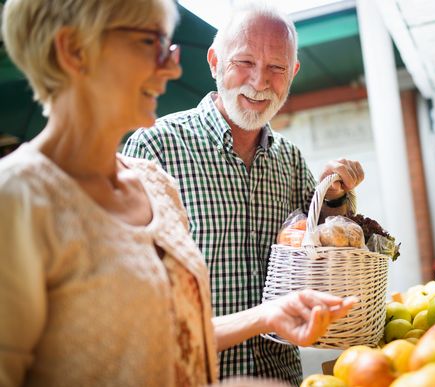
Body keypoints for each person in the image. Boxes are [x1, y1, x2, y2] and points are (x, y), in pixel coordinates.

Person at [0, 0, 356, 386]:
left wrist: (265, 319)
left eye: (166, 47)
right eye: (150, 43)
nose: (171, 66)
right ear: (73, 51)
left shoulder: (152, 182)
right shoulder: (18, 196)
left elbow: (167, 333)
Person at [122, 2, 365, 384]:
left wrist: (334, 195)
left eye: (276, 68)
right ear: (215, 60)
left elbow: (326, 253)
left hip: (281, 377)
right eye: (245, 62)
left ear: (293, 73)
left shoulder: (290, 160)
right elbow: (131, 298)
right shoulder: (155, 149)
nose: (259, 82)